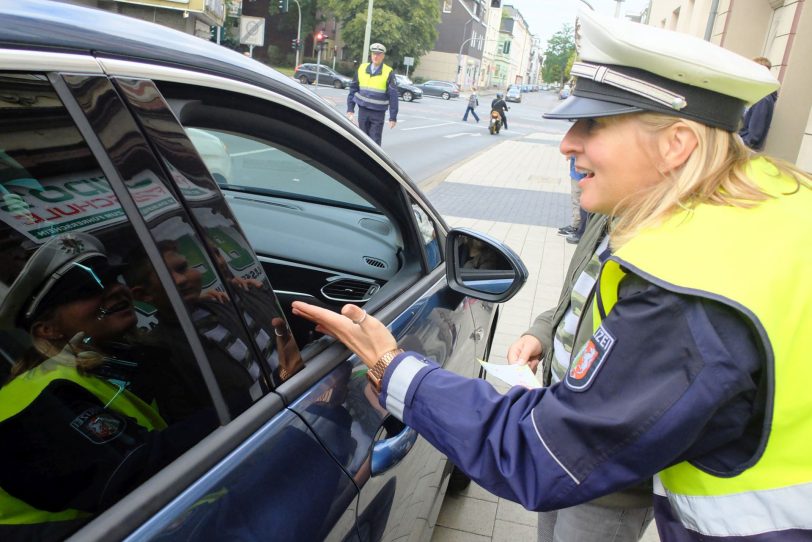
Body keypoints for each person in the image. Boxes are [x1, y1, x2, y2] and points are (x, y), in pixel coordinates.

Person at [291, 8, 811, 541]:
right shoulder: (768, 211)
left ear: (676, 143)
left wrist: (393, 367)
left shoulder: (694, 278)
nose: (567, 143)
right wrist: (547, 331)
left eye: (594, 124)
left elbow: (540, 454)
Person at [0, 233, 214, 539]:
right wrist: (255, 397)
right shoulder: (37, 400)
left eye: (114, 279)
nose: (114, 291)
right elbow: (140, 469)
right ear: (48, 329)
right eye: (88, 290)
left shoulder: (113, 365)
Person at [346, 42, 399, 146]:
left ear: (383, 56)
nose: (376, 56)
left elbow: (393, 96)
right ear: (371, 54)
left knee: (374, 142)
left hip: (377, 113)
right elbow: (353, 89)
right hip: (363, 110)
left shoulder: (388, 72)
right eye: (374, 53)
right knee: (362, 141)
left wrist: (393, 117)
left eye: (379, 54)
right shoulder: (362, 68)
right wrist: (350, 109)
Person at [738, 57, 778, 151]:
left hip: (746, 150)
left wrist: (737, 146)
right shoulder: (759, 95)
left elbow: (754, 136)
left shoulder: (762, 99)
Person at [558, 156, 588, 243]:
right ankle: (576, 226)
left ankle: (577, 228)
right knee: (577, 200)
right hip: (578, 170)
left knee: (579, 200)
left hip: (581, 172)